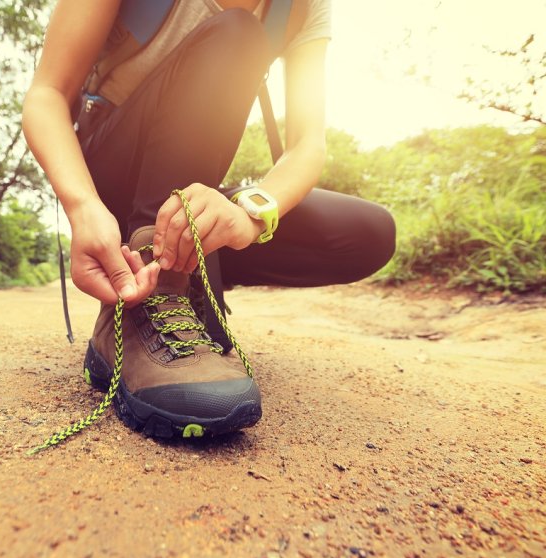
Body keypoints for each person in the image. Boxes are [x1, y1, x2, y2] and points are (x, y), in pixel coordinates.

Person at [22, 0, 395, 439]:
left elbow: (307, 145)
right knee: (237, 34)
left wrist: (250, 214)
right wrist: (82, 205)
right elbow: (47, 94)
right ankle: (145, 295)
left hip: (192, 186)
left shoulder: (303, 8)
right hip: (107, 174)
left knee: (366, 233)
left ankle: (186, 270)